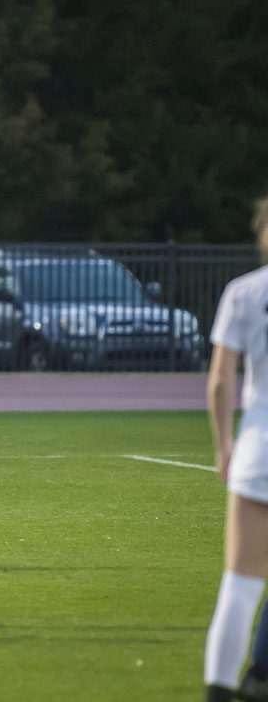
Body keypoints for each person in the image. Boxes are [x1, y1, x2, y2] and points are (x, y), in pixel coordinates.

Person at [202, 196, 268, 702]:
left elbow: (221, 380)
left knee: (241, 585)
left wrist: (224, 444)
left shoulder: (244, 293)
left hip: (260, 450)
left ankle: (223, 691)